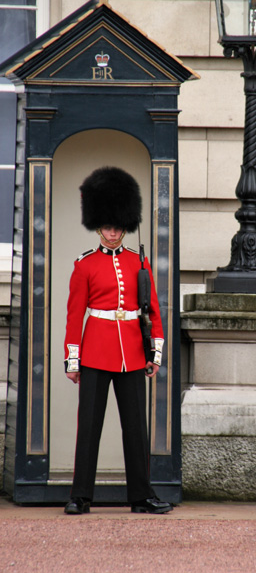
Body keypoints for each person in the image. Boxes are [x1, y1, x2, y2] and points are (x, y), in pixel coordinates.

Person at [63, 166, 172, 515]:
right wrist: (73, 359)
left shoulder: (139, 263)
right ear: (98, 226)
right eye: (107, 227)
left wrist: (154, 353)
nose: (112, 233)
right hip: (95, 352)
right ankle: (81, 496)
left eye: (117, 226)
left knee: (136, 430)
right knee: (89, 428)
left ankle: (141, 496)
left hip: (133, 353)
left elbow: (152, 311)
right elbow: (74, 315)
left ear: (125, 225)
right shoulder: (85, 265)